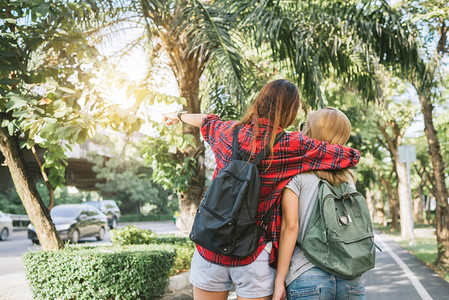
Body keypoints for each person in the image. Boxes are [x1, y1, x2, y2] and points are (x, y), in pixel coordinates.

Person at [163, 80, 360, 300]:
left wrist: (178, 116)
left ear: (259, 102)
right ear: (291, 111)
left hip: (210, 248)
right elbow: (349, 156)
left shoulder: (228, 131)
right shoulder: (291, 145)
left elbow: (207, 120)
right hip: (254, 254)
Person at [273, 107, 365, 300]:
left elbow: (291, 228)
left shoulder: (296, 175)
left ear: (311, 133)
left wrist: (279, 281)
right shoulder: (348, 177)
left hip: (307, 275)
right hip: (351, 276)